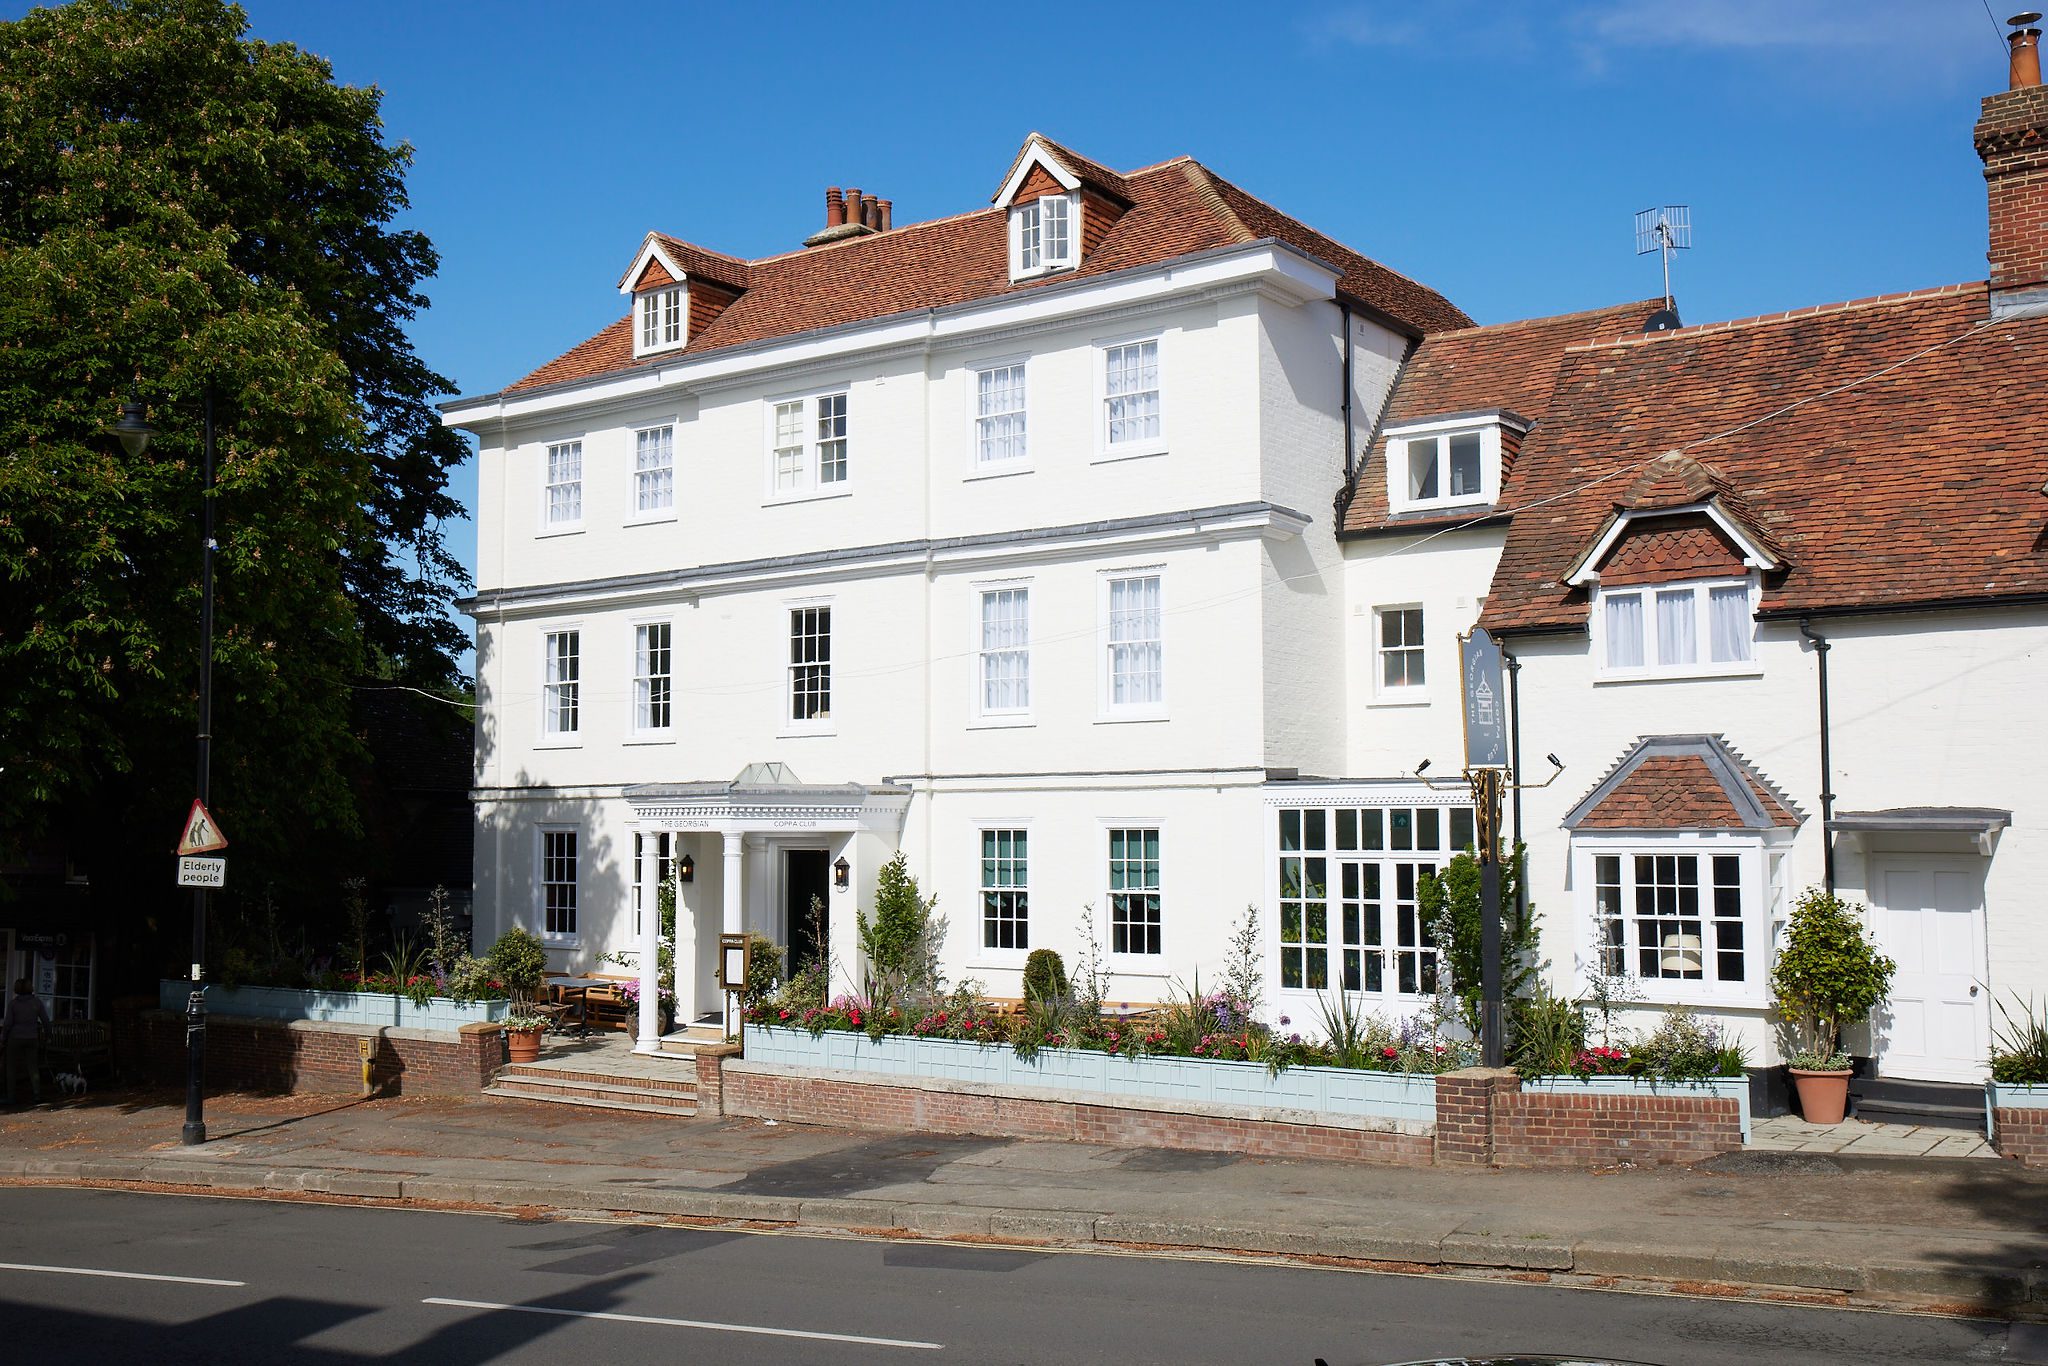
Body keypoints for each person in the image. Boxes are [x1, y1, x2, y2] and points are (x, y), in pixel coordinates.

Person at [2, 978, 50, 1106]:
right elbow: (45, 1020)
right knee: (33, 1067)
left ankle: (11, 1097)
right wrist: (48, 1034)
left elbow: (7, 1024)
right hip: (32, 1037)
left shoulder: (13, 1004)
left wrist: (3, 1038)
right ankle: (37, 1095)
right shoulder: (36, 1002)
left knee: (11, 1067)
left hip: (15, 1038)